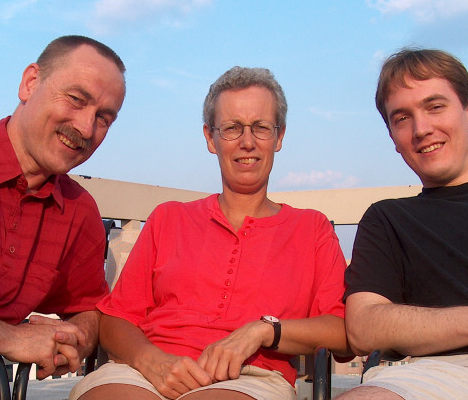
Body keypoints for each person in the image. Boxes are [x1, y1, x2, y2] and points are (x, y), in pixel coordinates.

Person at [70, 66, 351, 400]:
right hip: (145, 371)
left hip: (251, 377)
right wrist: (151, 360)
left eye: (261, 128)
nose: (247, 142)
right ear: (210, 138)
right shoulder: (169, 218)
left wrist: (263, 331)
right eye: (232, 128)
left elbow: (342, 331)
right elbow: (115, 320)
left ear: (279, 136)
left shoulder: (311, 229)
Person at [338, 49, 468, 399]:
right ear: (393, 139)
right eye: (402, 118)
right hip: (439, 377)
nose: (422, 129)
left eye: (435, 106)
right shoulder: (389, 220)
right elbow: (363, 326)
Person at [0, 35, 126, 399]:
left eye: (104, 118)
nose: (86, 129)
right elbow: (12, 339)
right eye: (76, 99)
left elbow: (89, 307)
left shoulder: (78, 211)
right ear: (30, 83)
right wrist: (9, 337)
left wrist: (78, 337)